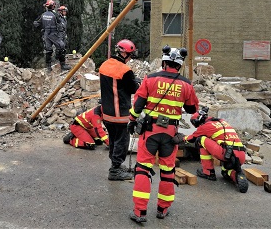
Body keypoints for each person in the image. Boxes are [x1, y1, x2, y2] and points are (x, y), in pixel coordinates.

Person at [127, 45, 199, 223]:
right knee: (168, 171)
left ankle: (140, 212)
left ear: (164, 61)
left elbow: (138, 105)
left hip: (150, 131)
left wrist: (132, 120)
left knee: (143, 169)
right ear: (180, 65)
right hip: (171, 134)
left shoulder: (150, 79)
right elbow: (192, 109)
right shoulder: (186, 84)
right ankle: (163, 209)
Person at [179, 106, 249, 194]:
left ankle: (208, 172)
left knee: (201, 140)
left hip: (226, 153)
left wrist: (181, 138)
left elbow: (192, 138)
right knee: (225, 172)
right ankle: (237, 176)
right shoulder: (222, 122)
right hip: (241, 155)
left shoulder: (205, 126)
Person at [99, 39, 140, 181]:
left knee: (113, 139)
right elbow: (133, 89)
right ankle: (115, 170)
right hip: (119, 113)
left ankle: (115, 164)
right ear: (125, 54)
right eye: (130, 55)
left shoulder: (104, 65)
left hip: (107, 112)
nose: (130, 58)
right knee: (122, 141)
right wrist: (138, 83)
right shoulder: (125, 70)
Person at [33, 0, 71, 72]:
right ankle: (63, 65)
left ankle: (48, 67)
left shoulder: (43, 14)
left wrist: (43, 27)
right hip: (53, 34)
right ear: (53, 6)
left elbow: (36, 24)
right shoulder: (55, 15)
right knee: (62, 46)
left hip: (46, 34)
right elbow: (61, 26)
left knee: (48, 50)